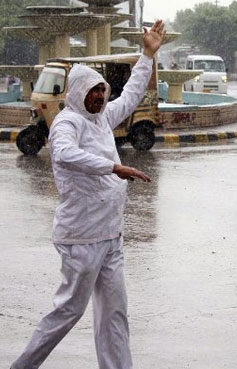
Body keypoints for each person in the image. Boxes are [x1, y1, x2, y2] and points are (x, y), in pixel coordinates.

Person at [10, 20, 166, 369]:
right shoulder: (68, 122)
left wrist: (147, 55)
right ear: (78, 92)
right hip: (81, 238)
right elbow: (64, 154)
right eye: (92, 91)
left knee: (114, 314)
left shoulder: (101, 118)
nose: (99, 96)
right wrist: (113, 167)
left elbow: (131, 96)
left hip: (110, 236)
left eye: (102, 90)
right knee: (68, 311)